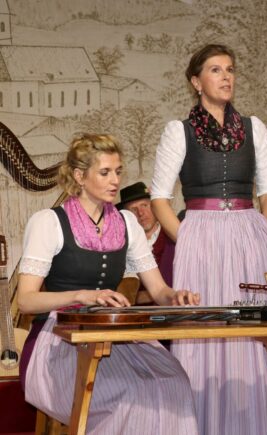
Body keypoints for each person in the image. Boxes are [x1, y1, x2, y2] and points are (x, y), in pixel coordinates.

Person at [17, 133, 200, 435]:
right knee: (126, 396)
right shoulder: (49, 222)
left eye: (117, 171)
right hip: (57, 344)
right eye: (104, 172)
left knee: (174, 383)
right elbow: (26, 300)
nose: (115, 180)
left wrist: (176, 296)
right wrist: (81, 295)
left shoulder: (126, 223)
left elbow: (158, 290)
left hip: (111, 339)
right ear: (80, 176)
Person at [151, 44, 267, 435]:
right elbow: (159, 198)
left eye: (230, 69)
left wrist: (262, 234)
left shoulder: (255, 127)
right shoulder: (179, 131)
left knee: (252, 334)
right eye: (215, 70)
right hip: (200, 235)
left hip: (249, 236)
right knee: (203, 332)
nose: (226, 77)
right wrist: (189, 238)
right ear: (196, 82)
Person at [117, 181, 176, 304]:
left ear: (154, 207)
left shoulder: (174, 238)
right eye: (133, 209)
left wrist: (147, 296)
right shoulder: (119, 246)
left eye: (144, 205)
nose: (141, 213)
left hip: (172, 310)